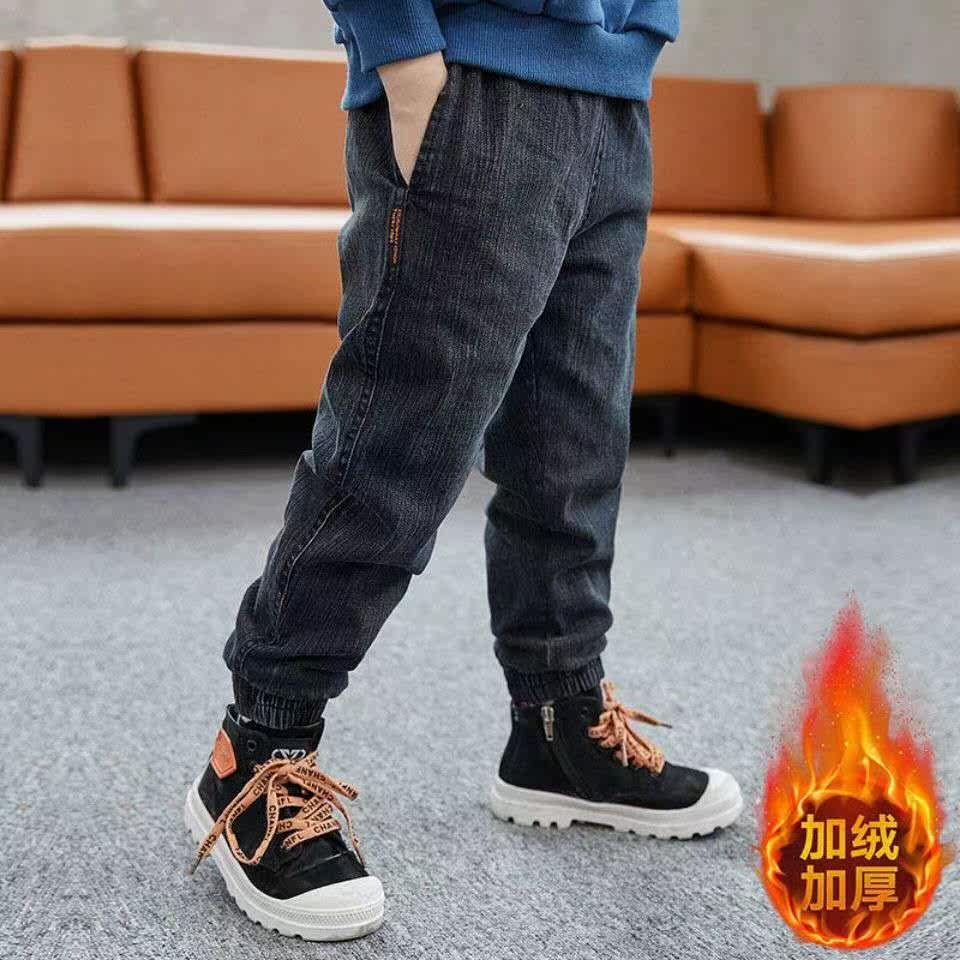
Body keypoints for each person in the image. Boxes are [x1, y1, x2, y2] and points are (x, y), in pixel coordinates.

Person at [184, 0, 743, 941]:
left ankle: (558, 727)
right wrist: (403, 57)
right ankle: (259, 746)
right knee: (400, 440)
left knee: (572, 446)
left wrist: (640, 38)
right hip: (472, 82)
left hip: (613, 98)